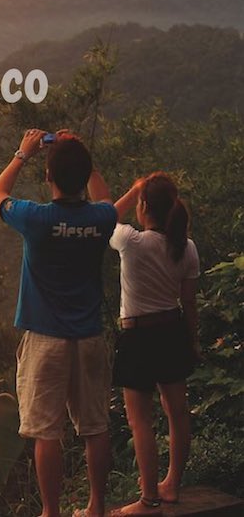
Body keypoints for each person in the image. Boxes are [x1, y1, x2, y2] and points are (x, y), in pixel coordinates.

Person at [0, 129, 117, 517]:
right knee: (95, 427)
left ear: (48, 177)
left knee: (46, 432)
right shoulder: (101, 219)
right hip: (89, 336)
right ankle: (96, 507)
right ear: (85, 176)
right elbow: (107, 199)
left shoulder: (37, 219)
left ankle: (50, 511)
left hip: (45, 341)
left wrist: (22, 152)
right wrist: (82, 154)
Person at [110, 173, 200, 516]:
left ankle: (149, 499)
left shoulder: (131, 240)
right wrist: (192, 341)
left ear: (143, 206)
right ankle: (171, 485)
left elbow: (105, 215)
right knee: (177, 412)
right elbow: (189, 303)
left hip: (138, 337)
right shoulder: (186, 246)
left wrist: (132, 190)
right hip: (173, 330)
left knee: (141, 421)